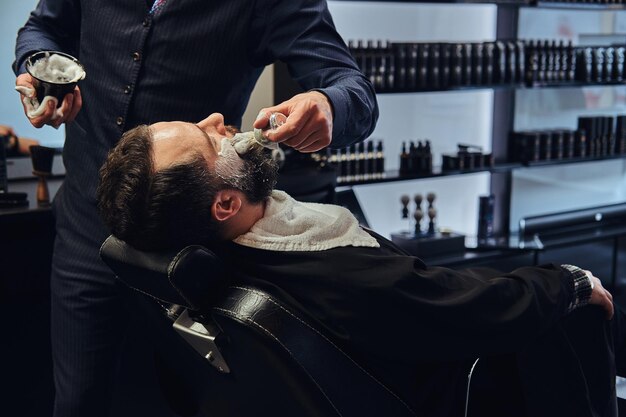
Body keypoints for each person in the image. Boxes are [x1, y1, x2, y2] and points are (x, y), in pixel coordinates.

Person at [97, 115, 622, 417]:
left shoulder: (217, 253)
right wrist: (569, 283)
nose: (220, 123)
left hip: (405, 328)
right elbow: (465, 309)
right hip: (446, 380)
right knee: (563, 316)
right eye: (211, 140)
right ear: (226, 206)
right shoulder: (338, 276)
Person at [13, 2, 378, 416]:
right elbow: (41, 30)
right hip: (85, 226)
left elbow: (355, 91)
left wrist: (329, 104)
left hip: (190, 253)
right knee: (79, 400)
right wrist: (36, 71)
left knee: (194, 402)